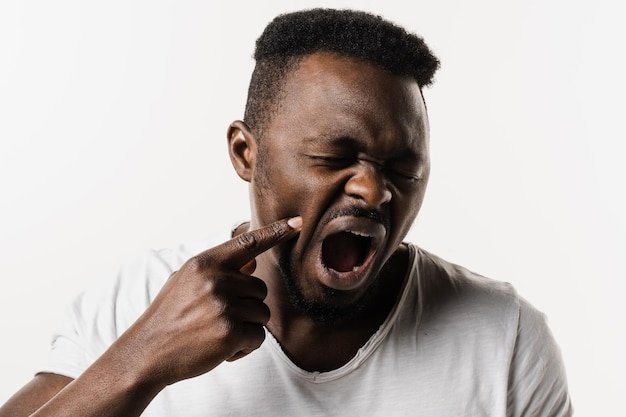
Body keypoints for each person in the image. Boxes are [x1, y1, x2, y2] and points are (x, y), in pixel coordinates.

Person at [0, 8, 572, 416]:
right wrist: (141, 362)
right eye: (334, 156)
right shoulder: (135, 300)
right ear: (245, 153)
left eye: (402, 166)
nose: (373, 192)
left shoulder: (504, 337)